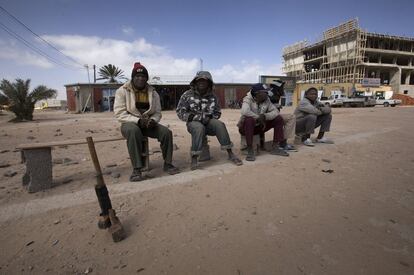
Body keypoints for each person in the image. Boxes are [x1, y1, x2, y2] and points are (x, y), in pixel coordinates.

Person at [114, 62, 180, 181]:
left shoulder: (153, 93)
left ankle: (168, 163)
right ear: (133, 77)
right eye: (137, 76)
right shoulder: (122, 91)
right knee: (133, 132)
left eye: (143, 76)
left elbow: (157, 112)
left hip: (148, 123)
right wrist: (138, 121)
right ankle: (137, 169)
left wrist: (153, 120)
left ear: (146, 78)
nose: (140, 79)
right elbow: (120, 113)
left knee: (166, 133)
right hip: (130, 123)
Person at [176, 71, 243, 170]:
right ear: (195, 82)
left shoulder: (213, 96)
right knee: (199, 128)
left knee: (220, 125)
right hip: (193, 123)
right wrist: (198, 118)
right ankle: (194, 158)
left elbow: (217, 112)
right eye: (199, 81)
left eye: (204, 81)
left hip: (208, 122)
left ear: (209, 83)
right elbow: (180, 112)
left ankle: (230, 153)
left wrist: (210, 118)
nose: (201, 83)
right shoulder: (187, 95)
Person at [237, 83, 289, 161]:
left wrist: (265, 116)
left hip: (260, 126)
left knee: (278, 119)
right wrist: (258, 117)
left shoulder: (266, 100)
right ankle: (250, 150)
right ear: (257, 94)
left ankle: (275, 147)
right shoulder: (247, 99)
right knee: (249, 120)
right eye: (265, 92)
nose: (267, 94)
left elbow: (275, 112)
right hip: (246, 128)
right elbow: (245, 111)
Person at [267, 80, 297, 152]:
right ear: (278, 87)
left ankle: (283, 142)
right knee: (291, 118)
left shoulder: (275, 94)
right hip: (268, 117)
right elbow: (265, 106)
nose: (283, 89)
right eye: (282, 87)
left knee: (291, 117)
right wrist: (275, 106)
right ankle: (283, 143)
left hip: (274, 115)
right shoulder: (271, 94)